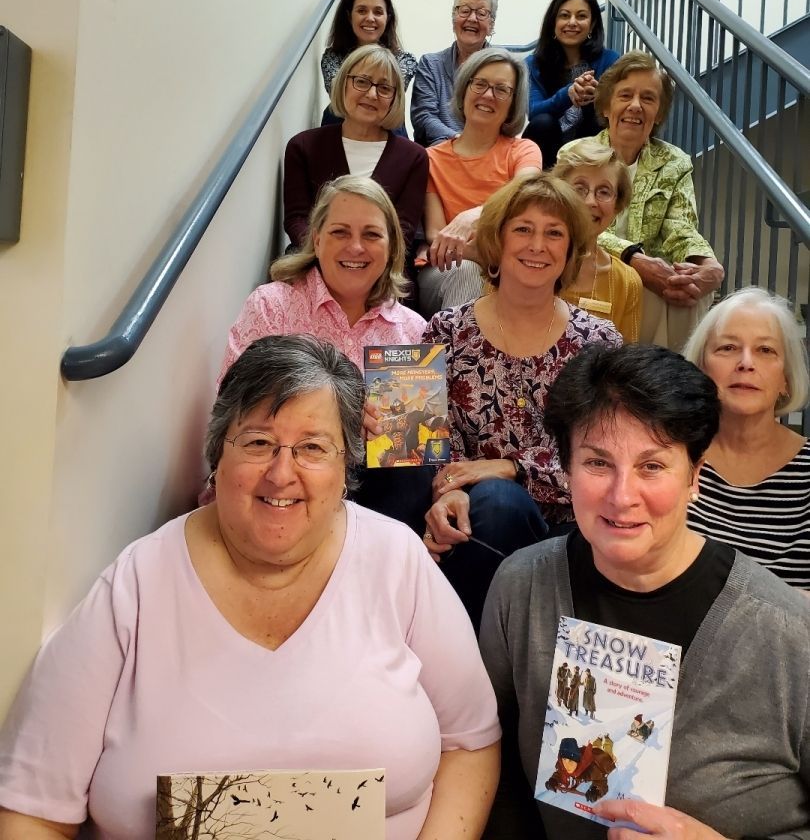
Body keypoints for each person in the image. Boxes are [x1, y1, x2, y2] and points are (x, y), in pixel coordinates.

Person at [0, 336, 501, 840]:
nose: (282, 474)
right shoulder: (136, 585)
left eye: (312, 448)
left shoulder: (397, 560)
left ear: (345, 467)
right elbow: (32, 809)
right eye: (259, 442)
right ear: (218, 452)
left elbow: (471, 742)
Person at [480, 343, 810, 839]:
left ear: (695, 477)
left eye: (652, 466)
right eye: (597, 462)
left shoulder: (785, 634)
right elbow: (492, 766)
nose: (622, 496)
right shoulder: (523, 588)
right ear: (566, 468)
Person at [422, 175, 622, 630]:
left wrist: (511, 467)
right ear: (496, 240)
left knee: (496, 496)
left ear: (570, 251)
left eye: (555, 233)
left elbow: (610, 457)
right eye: (523, 229)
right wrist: (447, 489)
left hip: (571, 528)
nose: (538, 245)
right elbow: (419, 444)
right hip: (465, 522)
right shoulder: (443, 332)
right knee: (485, 504)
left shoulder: (600, 344)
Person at [219, 177, 430, 530]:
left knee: (409, 471)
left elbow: (412, 452)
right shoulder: (272, 307)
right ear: (316, 240)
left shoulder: (411, 330)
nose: (357, 247)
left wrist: (394, 433)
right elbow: (231, 411)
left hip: (376, 499)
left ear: (392, 247)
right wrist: (336, 418)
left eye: (372, 235)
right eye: (340, 232)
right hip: (283, 475)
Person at [567, 50, 724, 350]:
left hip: (652, 281)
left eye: (648, 98)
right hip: (592, 265)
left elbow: (681, 228)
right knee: (640, 280)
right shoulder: (576, 155)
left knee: (689, 289)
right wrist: (634, 260)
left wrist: (709, 265)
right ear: (607, 105)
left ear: (660, 113)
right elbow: (577, 227)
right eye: (625, 95)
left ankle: (671, 386)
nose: (635, 106)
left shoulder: (674, 162)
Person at [683, 286, 810, 589]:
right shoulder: (669, 454)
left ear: (786, 378)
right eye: (727, 348)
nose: (746, 363)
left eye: (766, 350)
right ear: (701, 368)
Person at [418, 47, 541, 316]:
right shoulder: (430, 158)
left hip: (506, 268)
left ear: (513, 103)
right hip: (447, 269)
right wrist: (490, 255)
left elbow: (525, 194)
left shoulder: (524, 151)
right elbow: (437, 236)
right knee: (469, 273)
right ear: (464, 90)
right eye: (480, 84)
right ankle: (460, 358)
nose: (488, 95)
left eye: (501, 89)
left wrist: (472, 216)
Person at [284, 45, 428, 250]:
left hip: (383, 268)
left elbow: (403, 229)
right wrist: (327, 252)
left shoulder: (414, 157)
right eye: (361, 82)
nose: (372, 94)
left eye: (384, 88)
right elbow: (296, 219)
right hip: (313, 258)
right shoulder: (303, 147)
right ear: (343, 84)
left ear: (395, 99)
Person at [553, 138, 642, 341]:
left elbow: (623, 366)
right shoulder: (527, 259)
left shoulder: (626, 282)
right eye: (579, 188)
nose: (590, 201)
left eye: (604, 192)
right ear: (559, 194)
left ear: (617, 206)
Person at [523, 0, 620, 167]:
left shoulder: (610, 60)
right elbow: (534, 110)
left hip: (590, 150)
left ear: (592, 25)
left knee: (598, 117)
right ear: (553, 22)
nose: (572, 22)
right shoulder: (533, 64)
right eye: (565, 15)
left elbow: (616, 110)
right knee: (542, 122)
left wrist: (596, 95)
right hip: (548, 148)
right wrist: (568, 94)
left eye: (581, 16)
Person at [320, 0, 416, 136]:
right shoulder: (332, 57)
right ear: (349, 15)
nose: (370, 18)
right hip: (342, 125)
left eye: (378, 12)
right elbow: (342, 98)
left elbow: (386, 100)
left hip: (386, 129)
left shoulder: (405, 60)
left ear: (388, 17)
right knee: (333, 111)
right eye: (362, 11)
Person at [411, 0, 497, 146]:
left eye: (481, 13)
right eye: (464, 11)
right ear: (453, 18)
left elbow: (507, 119)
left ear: (491, 24)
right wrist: (459, 140)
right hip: (441, 147)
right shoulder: (430, 64)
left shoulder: (502, 70)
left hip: (486, 149)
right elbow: (424, 117)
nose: (472, 18)